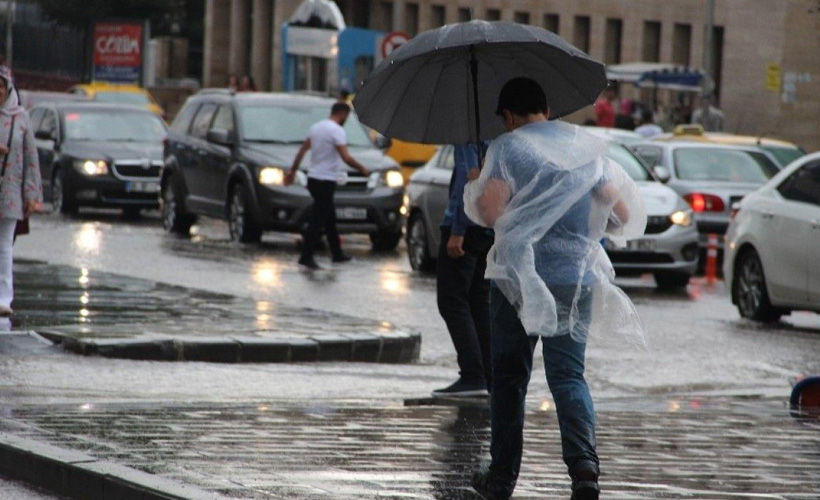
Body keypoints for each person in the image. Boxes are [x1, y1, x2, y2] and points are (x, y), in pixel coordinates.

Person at [464, 77, 646, 500]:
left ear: (508, 115)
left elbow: (491, 214)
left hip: (517, 282)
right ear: (545, 109)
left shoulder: (508, 148)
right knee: (568, 376)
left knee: (510, 379)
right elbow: (618, 213)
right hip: (573, 278)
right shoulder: (584, 147)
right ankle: (584, 468)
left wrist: (476, 184)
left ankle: (502, 477)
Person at [431, 143, 494, 398]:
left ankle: (472, 375)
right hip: (487, 226)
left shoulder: (467, 135)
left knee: (451, 300)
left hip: (465, 226)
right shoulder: (497, 134)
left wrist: (458, 229)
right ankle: (488, 375)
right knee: (478, 300)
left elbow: (469, 181)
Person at [286, 102, 370, 270]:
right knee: (317, 220)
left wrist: (292, 172)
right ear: (343, 115)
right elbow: (345, 157)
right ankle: (306, 256)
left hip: (313, 179)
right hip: (326, 180)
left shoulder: (316, 127)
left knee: (329, 217)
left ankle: (337, 253)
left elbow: (302, 151)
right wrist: (362, 168)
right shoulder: (337, 131)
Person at [0, 65, 42, 331]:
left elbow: (31, 159)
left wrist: (32, 194)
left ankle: (4, 299)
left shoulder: (21, 118)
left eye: (1, 87)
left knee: (4, 246)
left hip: (10, 192)